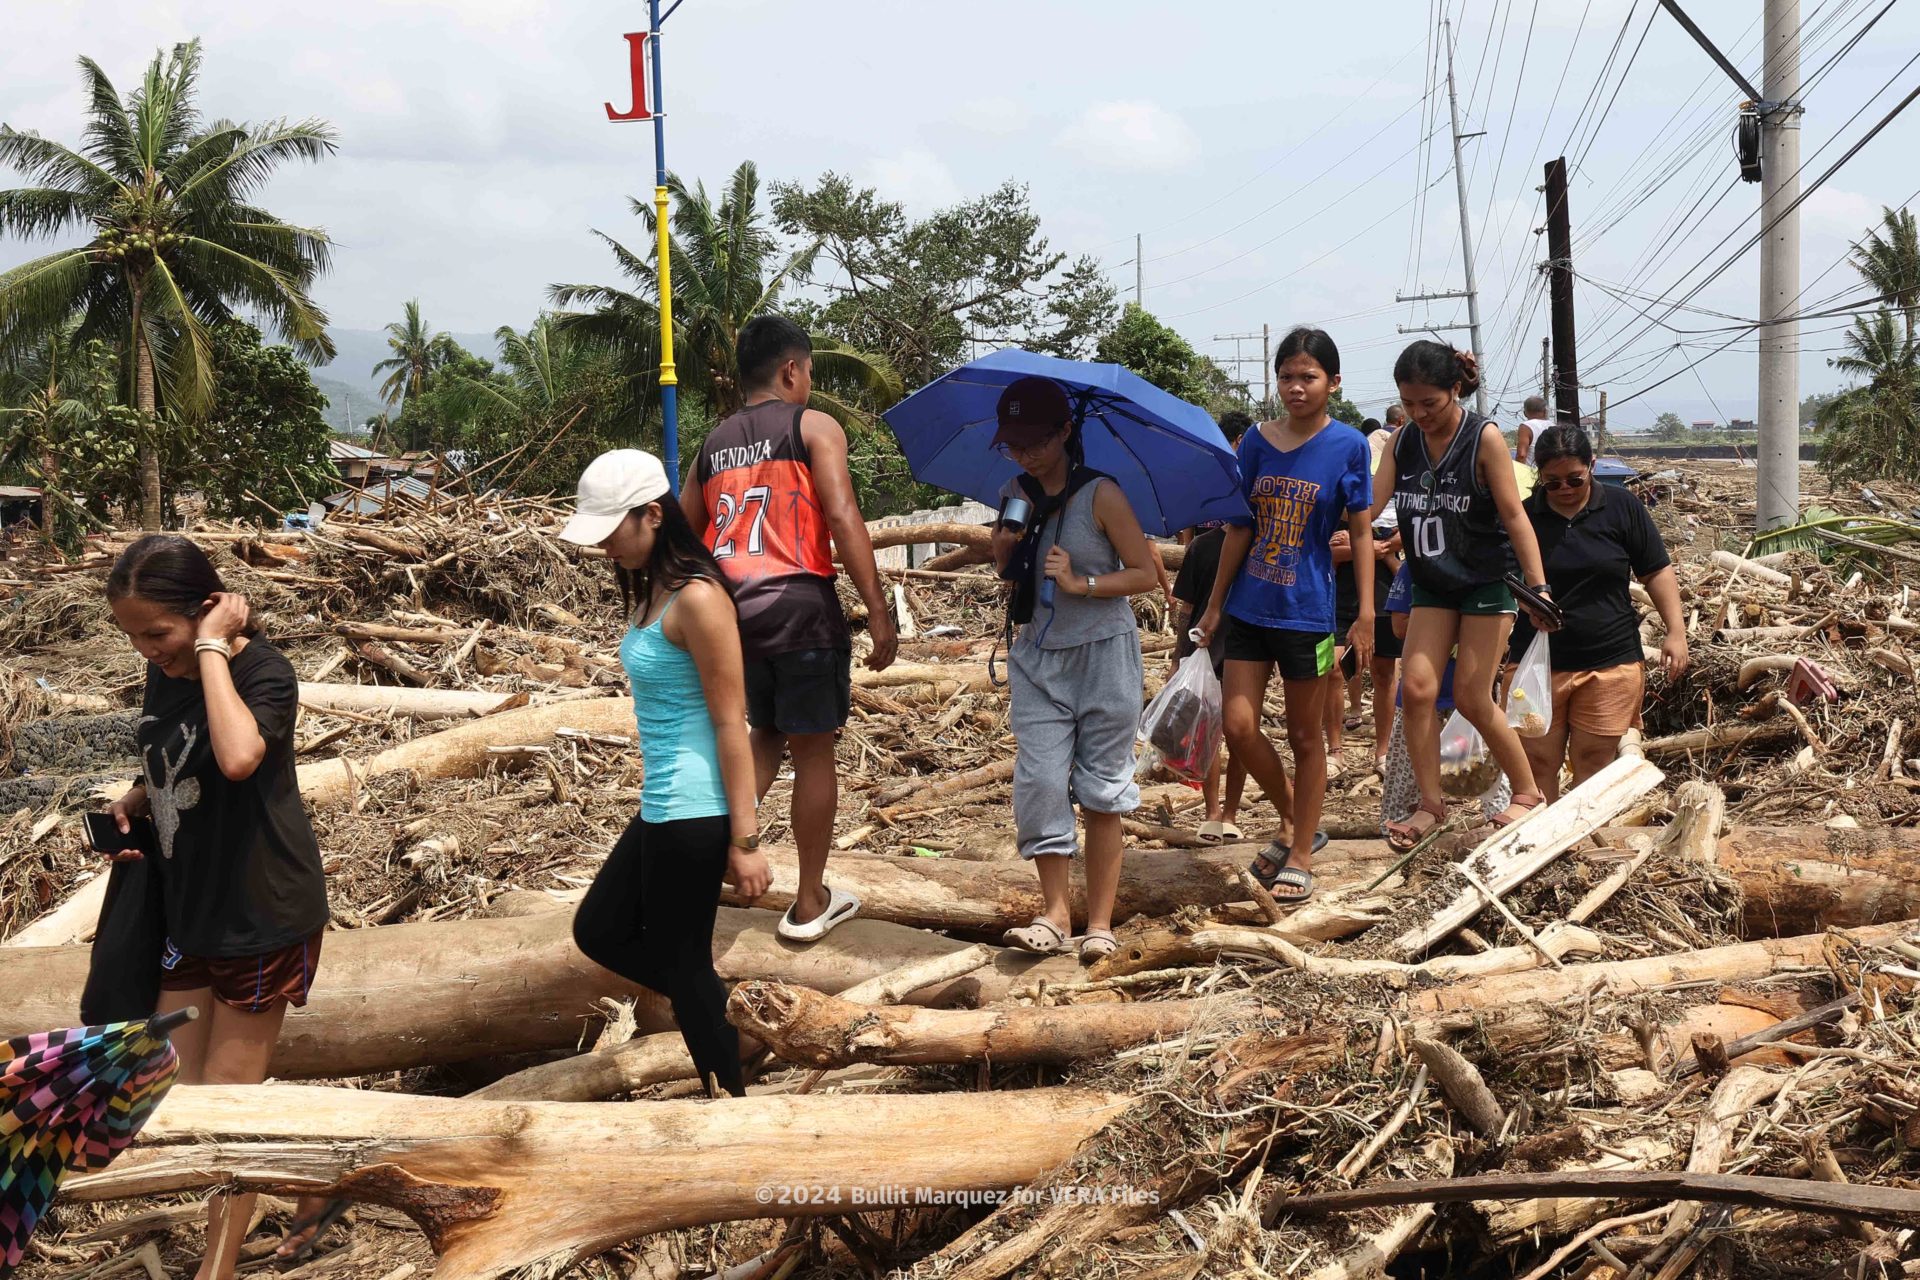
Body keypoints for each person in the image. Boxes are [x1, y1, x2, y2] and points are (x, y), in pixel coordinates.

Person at [102, 536, 330, 1280]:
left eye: (156, 633)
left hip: (260, 912)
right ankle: (312, 1184)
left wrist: (209, 651)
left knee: (229, 1109)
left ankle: (218, 1266)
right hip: (188, 908)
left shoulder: (262, 670)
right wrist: (136, 799)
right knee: (182, 1096)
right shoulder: (167, 668)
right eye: (131, 635)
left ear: (204, 612)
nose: (146, 650)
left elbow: (237, 755)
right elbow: (184, 755)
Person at [561, 449, 770, 1099]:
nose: (601, 547)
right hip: (662, 805)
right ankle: (729, 1018)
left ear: (652, 514)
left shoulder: (699, 599)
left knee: (682, 964)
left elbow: (733, 723)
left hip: (698, 810)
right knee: (599, 929)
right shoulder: (652, 588)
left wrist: (746, 841)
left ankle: (729, 1098)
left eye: (609, 530)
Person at [680, 315, 896, 943]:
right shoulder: (813, 427)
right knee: (814, 749)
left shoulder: (712, 445)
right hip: (801, 609)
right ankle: (808, 902)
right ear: (791, 370)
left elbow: (687, 537)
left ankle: (723, 845)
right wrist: (878, 610)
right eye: (808, 373)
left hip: (735, 617)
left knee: (766, 733)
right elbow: (841, 512)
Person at [1196, 328, 1374, 904]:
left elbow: (1363, 532)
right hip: (1250, 607)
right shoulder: (1254, 443)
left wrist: (1365, 611)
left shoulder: (1348, 446)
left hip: (1309, 613)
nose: (1296, 388)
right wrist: (1216, 602)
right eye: (1287, 377)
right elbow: (1239, 526)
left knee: (1305, 735)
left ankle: (1299, 849)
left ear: (1333, 383)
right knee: (1240, 726)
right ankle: (1298, 819)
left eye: (1309, 377)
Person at [991, 376, 1160, 962]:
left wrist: (1081, 582)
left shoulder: (1101, 494)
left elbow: (1144, 574)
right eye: (1013, 444)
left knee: (1102, 791)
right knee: (1038, 781)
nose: (1026, 454)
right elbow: (1004, 566)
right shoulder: (1016, 489)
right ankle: (1054, 913)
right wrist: (1008, 545)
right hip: (1038, 656)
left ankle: (1101, 922)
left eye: (1036, 441)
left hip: (1103, 656)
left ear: (1065, 432)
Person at [1369, 341, 1557, 851]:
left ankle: (1527, 792)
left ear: (1455, 389)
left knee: (1474, 695)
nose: (1418, 414)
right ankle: (1431, 804)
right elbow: (1371, 502)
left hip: (1484, 581)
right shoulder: (1403, 442)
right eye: (1408, 404)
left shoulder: (1484, 438)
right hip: (1432, 580)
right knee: (1418, 689)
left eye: (1429, 403)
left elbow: (1515, 517)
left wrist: (1537, 587)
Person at [1516, 425, 1688, 799]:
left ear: (1591, 466)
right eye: (1552, 482)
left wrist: (1676, 630)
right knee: (1537, 763)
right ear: (1539, 478)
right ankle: (1538, 843)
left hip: (1609, 662)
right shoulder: (1522, 517)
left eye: (1574, 480)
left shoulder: (1622, 506)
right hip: (1536, 664)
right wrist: (1524, 603)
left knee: (1594, 760)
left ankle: (1580, 843)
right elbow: (1503, 580)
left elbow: (1656, 569)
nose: (1564, 489)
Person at [1378, 563, 1512, 830]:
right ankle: (1397, 830)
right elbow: (1399, 626)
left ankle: (1505, 829)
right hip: (1421, 700)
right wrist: (1465, 625)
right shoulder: (1418, 565)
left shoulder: (1491, 565)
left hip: (1472, 700)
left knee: (1487, 776)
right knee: (1406, 779)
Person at [1170, 410, 1251, 841]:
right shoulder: (1226, 549)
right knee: (1233, 734)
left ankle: (1217, 810)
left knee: (1220, 733)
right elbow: (1187, 607)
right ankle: (1226, 813)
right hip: (1230, 649)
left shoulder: (1203, 547)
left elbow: (1186, 610)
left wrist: (1178, 652)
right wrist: (1180, 651)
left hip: (1221, 649)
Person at [1515, 395, 1550, 466]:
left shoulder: (1526, 427)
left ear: (1525, 413)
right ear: (1545, 411)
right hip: (1550, 473)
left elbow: (1521, 455)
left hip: (1530, 473)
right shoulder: (1553, 425)